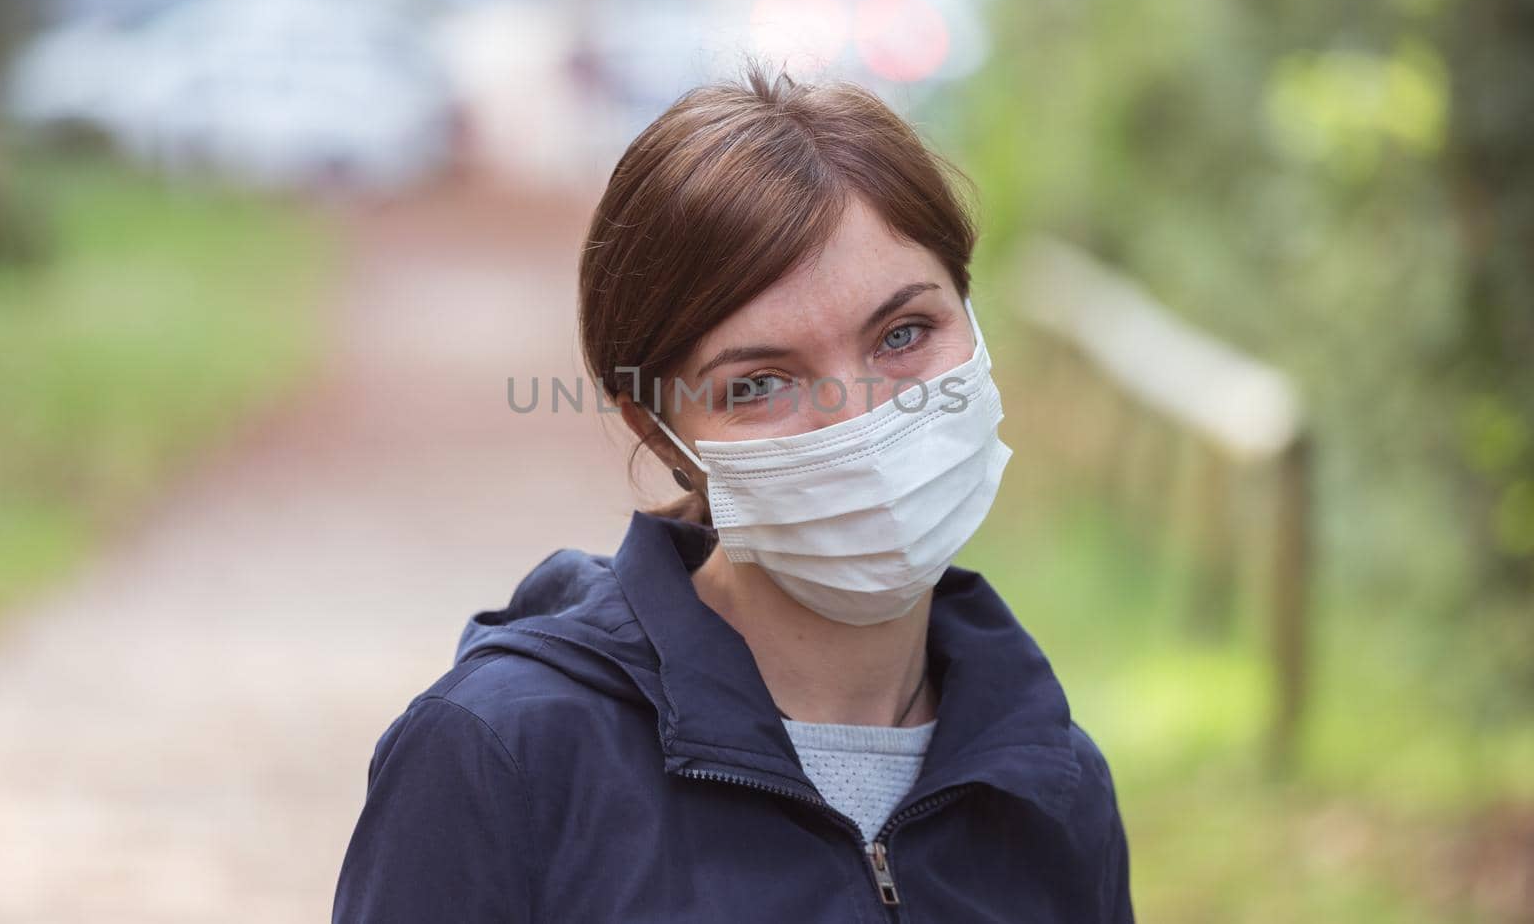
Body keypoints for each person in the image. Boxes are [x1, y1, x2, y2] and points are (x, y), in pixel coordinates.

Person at [332, 62, 1135, 922]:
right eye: (758, 383)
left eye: (905, 332)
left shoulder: (1052, 783)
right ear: (662, 435)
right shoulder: (502, 758)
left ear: (970, 323)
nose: (857, 420)